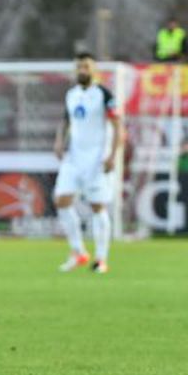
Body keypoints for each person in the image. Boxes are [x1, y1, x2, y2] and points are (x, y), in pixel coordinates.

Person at [53, 52, 126, 274]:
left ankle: (101, 259)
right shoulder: (71, 94)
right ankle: (78, 252)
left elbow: (117, 125)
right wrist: (59, 142)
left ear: (94, 71)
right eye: (79, 67)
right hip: (74, 157)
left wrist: (113, 155)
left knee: (97, 206)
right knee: (61, 200)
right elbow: (66, 120)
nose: (82, 71)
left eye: (86, 67)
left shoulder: (103, 94)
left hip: (96, 158)